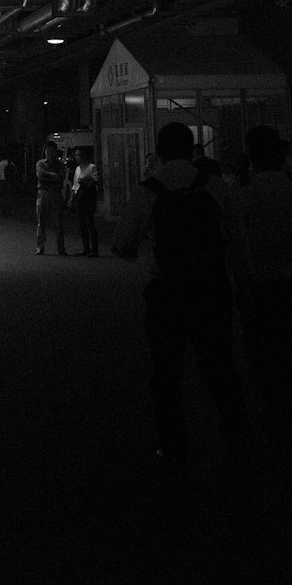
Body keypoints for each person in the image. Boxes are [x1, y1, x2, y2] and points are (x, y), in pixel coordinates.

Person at [112, 120, 249, 478]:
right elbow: (237, 245)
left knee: (166, 376)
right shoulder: (217, 188)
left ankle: (174, 451)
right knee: (221, 371)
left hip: (167, 294)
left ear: (158, 151)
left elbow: (122, 245)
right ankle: (239, 446)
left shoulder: (147, 192)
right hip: (211, 292)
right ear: (192, 150)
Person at [232, 125, 292, 448]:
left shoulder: (245, 196)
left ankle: (274, 414)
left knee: (265, 358)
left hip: (261, 290)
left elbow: (236, 246)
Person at [35, 142, 67, 255]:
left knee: (58, 222)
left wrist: (48, 176)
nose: (50, 153)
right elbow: (40, 175)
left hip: (55, 194)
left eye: (52, 151)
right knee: (41, 222)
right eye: (48, 151)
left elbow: (61, 177)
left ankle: (61, 247)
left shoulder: (60, 164)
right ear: (45, 152)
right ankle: (40, 247)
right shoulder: (40, 163)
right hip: (43, 193)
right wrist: (53, 175)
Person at [69, 145, 100, 256]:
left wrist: (86, 180)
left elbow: (96, 180)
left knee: (89, 222)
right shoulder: (78, 168)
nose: (77, 157)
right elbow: (75, 185)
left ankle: (95, 249)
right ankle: (86, 248)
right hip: (79, 197)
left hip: (88, 197)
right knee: (82, 223)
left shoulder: (91, 167)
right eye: (76, 155)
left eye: (79, 155)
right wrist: (72, 198)